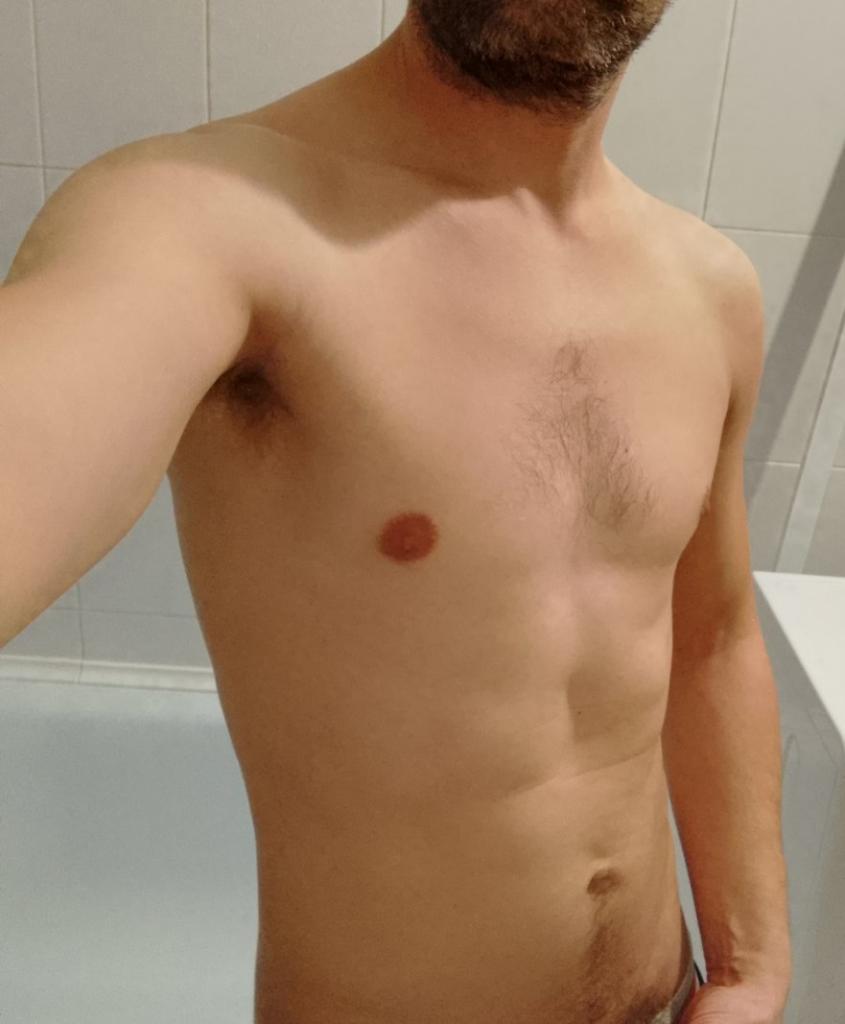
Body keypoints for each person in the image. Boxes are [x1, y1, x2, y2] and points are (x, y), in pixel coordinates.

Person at [0, 2, 792, 1022]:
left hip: (663, 998)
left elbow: (713, 638)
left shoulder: (709, 289)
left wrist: (747, 969)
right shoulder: (208, 218)